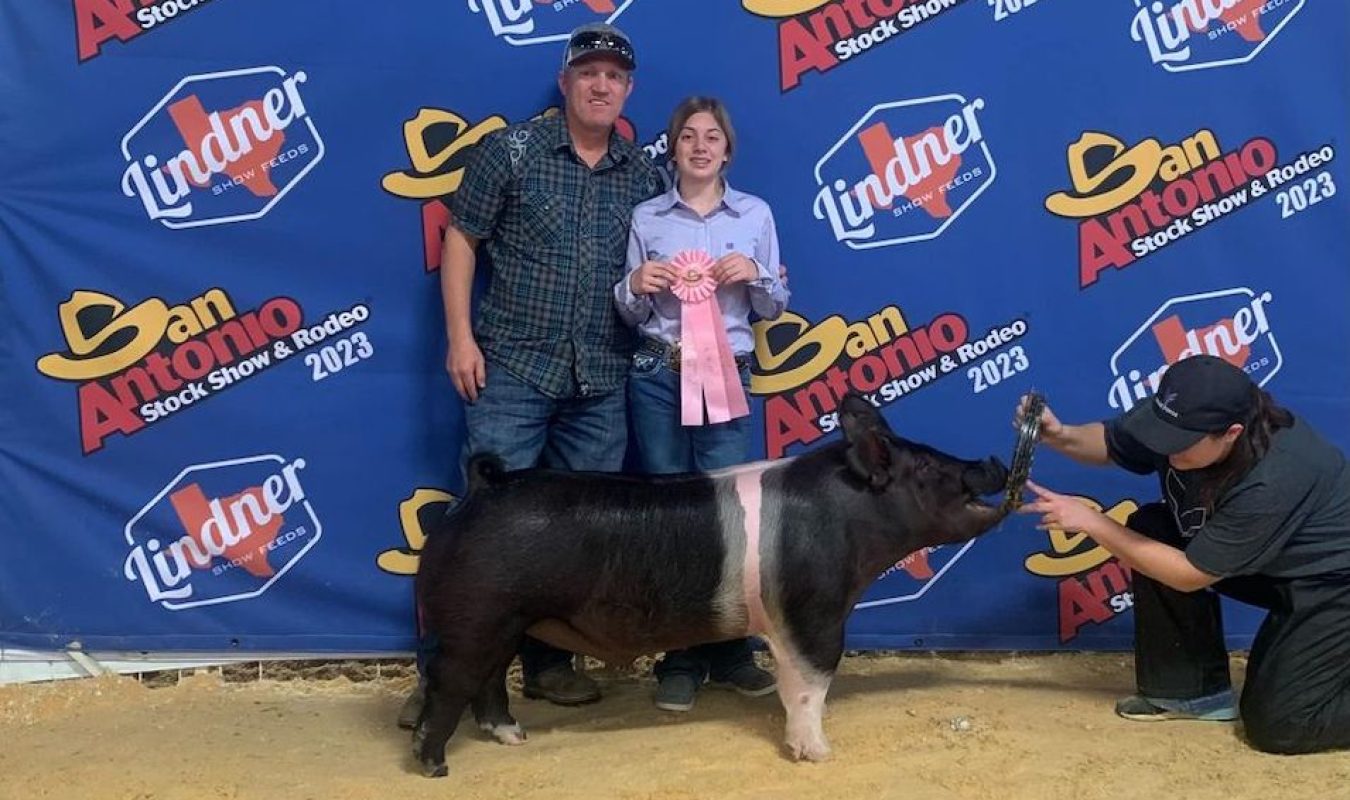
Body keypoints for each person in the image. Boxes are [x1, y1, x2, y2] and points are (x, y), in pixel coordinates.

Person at [398, 22, 663, 729]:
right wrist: (460, 338)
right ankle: (442, 676)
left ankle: (551, 667)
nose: (601, 85)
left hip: (601, 375)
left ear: (627, 89)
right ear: (565, 81)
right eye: (589, 74)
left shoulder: (644, 174)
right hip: (512, 365)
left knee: (579, 541)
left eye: (615, 75)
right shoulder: (509, 151)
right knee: (483, 535)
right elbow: (462, 237)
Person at [1017, 354, 1350, 754]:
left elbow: (1190, 574)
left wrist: (1093, 523)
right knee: (1154, 529)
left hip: (1333, 582)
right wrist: (1060, 434)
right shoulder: (1179, 414)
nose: (1166, 449)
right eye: (1162, 433)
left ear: (1231, 433)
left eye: (1181, 444)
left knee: (1280, 725)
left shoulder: (1276, 475)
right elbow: (1109, 444)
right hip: (1272, 560)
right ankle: (1192, 693)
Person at [613, 96, 790, 712]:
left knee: (733, 517)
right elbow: (630, 312)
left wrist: (758, 277)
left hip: (728, 377)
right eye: (687, 136)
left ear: (727, 149)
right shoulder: (647, 217)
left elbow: (775, 307)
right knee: (668, 520)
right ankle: (678, 655)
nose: (699, 146)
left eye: (711, 136)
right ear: (673, 147)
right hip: (658, 376)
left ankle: (731, 651)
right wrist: (633, 286)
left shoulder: (756, 215)